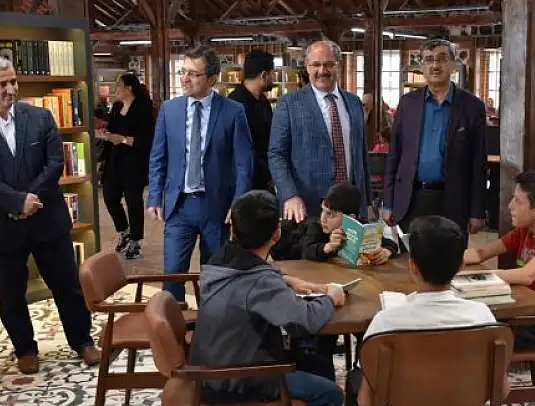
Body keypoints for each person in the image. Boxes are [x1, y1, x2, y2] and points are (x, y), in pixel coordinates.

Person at [0, 56, 100, 374]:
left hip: (47, 219)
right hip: (1, 225)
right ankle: (25, 349)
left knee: (68, 285)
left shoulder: (40, 116)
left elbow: (54, 164)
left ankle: (82, 341)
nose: (11, 89)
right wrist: (16, 202)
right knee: (11, 293)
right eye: (2, 84)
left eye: (13, 81)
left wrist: (29, 199)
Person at [188, 190, 345, 406]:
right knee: (331, 395)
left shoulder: (219, 259)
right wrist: (331, 296)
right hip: (237, 379)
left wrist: (287, 280)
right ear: (277, 234)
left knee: (319, 365)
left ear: (233, 228)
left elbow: (251, 279)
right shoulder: (260, 281)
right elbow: (303, 321)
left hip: (212, 366)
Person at [352, 215, 503, 406]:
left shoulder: (386, 322)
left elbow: (366, 403)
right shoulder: (481, 316)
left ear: (412, 266)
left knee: (354, 380)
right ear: (461, 265)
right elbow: (502, 390)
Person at [147, 45, 253, 302]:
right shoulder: (169, 110)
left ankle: (211, 322)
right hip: (179, 206)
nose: (185, 78)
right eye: (183, 71)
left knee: (215, 275)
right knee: (172, 274)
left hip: (216, 207)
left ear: (213, 78)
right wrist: (154, 196)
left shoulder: (233, 111)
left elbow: (243, 164)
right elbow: (158, 157)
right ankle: (173, 323)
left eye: (193, 74)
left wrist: (238, 204)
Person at [382, 39, 487, 236]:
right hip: (411, 199)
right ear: (422, 66)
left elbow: (478, 163)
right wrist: (388, 202)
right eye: (429, 60)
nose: (435, 65)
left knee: (450, 254)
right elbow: (394, 155)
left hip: (454, 201)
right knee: (410, 254)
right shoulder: (407, 104)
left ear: (453, 64)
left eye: (442, 59)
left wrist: (477, 211)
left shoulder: (472, 106)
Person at [464, 172, 535, 348]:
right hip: (523, 312)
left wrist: (480, 277)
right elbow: (481, 253)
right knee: (468, 322)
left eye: (518, 201)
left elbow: (527, 275)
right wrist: (446, 261)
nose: (510, 205)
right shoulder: (525, 229)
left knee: (473, 338)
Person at [269, 40, 371, 223]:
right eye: (315, 64)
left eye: (328, 64)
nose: (322, 70)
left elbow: (361, 155)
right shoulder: (289, 104)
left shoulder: (354, 103)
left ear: (338, 65)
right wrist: (290, 194)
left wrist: (367, 201)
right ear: (307, 66)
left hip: (351, 208)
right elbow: (276, 155)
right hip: (307, 208)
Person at [96, 73, 154, 259]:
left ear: (129, 88)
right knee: (109, 196)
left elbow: (145, 140)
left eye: (118, 85)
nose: (115, 89)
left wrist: (121, 139)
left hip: (134, 163)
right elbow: (113, 129)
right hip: (114, 160)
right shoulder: (116, 107)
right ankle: (123, 230)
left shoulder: (143, 109)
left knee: (133, 201)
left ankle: (136, 240)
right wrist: (105, 134)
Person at [273, 183, 398, 264]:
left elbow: (390, 243)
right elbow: (306, 251)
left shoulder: (361, 228)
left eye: (331, 214)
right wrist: (329, 246)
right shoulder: (317, 226)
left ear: (350, 218)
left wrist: (386, 251)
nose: (323, 218)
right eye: (323, 211)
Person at [228, 50, 276, 192]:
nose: (273, 78)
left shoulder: (263, 100)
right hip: (244, 183)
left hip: (264, 180)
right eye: (273, 73)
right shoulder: (235, 104)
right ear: (264, 76)